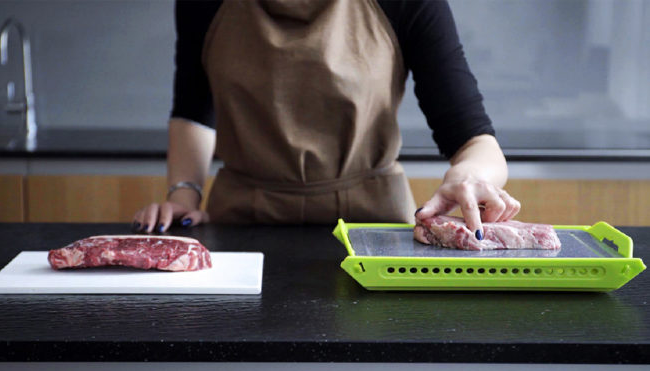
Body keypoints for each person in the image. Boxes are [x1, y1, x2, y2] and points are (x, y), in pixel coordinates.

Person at [133, 0, 521, 241]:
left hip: (371, 227)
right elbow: (194, 110)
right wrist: (183, 196)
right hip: (239, 224)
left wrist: (470, 176)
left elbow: (473, 139)